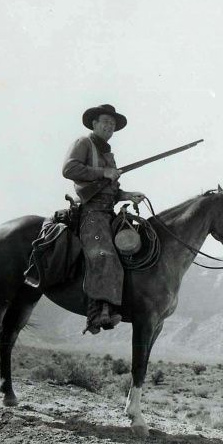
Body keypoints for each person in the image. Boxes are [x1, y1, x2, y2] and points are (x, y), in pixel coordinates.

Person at [62, 104, 145, 334]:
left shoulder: (109, 155)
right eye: (106, 122)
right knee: (104, 254)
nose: (110, 127)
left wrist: (128, 195)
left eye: (113, 124)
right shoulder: (83, 143)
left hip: (109, 213)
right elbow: (69, 168)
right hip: (91, 214)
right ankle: (99, 313)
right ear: (95, 124)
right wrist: (103, 173)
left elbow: (112, 190)